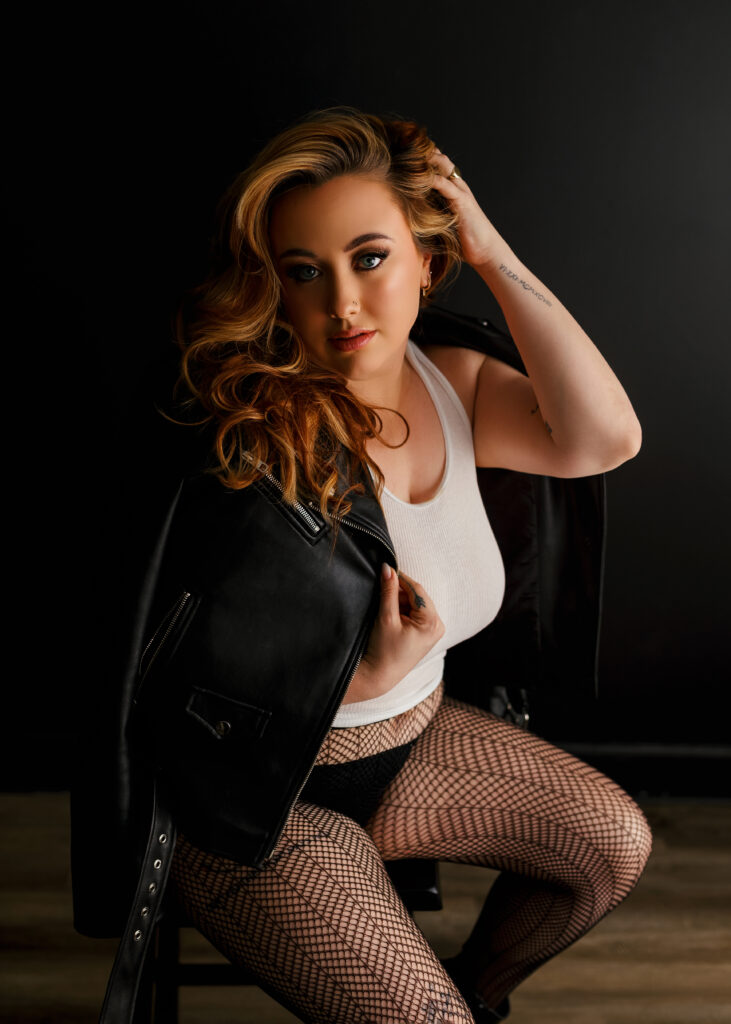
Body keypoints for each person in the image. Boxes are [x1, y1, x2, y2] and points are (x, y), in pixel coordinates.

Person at [86, 107, 653, 1024]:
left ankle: (471, 1003)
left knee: (611, 845)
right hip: (259, 805)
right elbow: (180, 682)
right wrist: (366, 676)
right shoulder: (252, 432)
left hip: (407, 753)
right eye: (302, 272)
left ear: (429, 262)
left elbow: (605, 440)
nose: (340, 304)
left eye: (371, 257)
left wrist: (491, 250)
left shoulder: (453, 383)